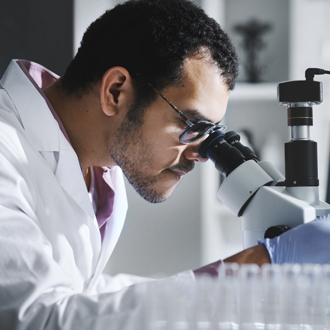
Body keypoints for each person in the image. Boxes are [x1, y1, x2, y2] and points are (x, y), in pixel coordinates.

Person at [1, 0, 330, 329]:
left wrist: (232, 296)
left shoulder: (101, 169)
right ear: (117, 91)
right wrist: (257, 266)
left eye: (211, 133)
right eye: (194, 126)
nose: (201, 154)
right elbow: (38, 319)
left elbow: (86, 296)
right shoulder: (6, 152)